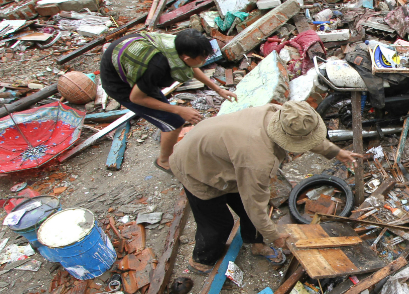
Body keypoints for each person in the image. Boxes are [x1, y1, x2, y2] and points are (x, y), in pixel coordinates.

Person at [169, 101, 366, 273]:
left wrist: (335, 151)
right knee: (220, 224)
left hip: (223, 155)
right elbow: (254, 204)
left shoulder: (280, 114)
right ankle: (201, 260)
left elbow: (304, 136)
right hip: (195, 166)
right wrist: (274, 236)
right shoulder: (257, 160)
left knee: (249, 211)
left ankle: (256, 244)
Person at [99, 29, 237, 174]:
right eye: (202, 58)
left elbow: (191, 67)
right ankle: (164, 161)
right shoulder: (157, 67)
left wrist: (218, 90)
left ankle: (168, 143)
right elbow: (136, 98)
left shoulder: (177, 46)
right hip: (119, 84)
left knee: (169, 114)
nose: (204, 62)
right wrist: (179, 110)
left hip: (133, 69)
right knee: (173, 122)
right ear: (186, 58)